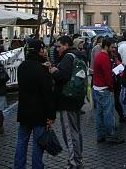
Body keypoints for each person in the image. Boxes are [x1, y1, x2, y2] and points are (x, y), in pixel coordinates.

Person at [14, 40, 56, 169]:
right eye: (42, 49)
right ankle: (37, 166)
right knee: (38, 143)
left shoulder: (22, 67)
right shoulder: (42, 69)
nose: (44, 51)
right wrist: (51, 115)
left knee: (22, 141)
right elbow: (47, 94)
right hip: (39, 112)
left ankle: (18, 166)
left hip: (24, 110)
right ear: (39, 50)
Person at [49, 36, 86, 168]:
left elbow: (63, 76)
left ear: (66, 45)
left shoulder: (67, 57)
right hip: (76, 99)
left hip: (67, 100)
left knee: (70, 133)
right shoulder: (79, 55)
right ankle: (78, 158)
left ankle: (74, 161)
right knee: (76, 130)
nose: (57, 49)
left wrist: (53, 71)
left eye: (59, 46)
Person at [92, 38, 124, 144]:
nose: (113, 49)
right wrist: (111, 87)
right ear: (106, 46)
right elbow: (108, 76)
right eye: (112, 47)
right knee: (107, 113)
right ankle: (110, 135)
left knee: (99, 113)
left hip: (97, 87)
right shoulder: (104, 58)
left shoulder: (99, 56)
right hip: (104, 88)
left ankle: (100, 135)